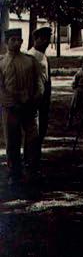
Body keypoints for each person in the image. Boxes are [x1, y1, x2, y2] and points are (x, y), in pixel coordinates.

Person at [0, 28, 44, 185]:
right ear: (6, 42)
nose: (17, 43)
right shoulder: (2, 64)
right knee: (12, 141)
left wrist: (34, 101)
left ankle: (32, 170)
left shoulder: (30, 61)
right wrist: (12, 104)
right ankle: (14, 172)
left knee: (32, 139)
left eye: (19, 40)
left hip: (29, 107)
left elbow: (39, 84)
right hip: (10, 109)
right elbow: (1, 89)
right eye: (13, 40)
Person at [28, 26, 52, 164]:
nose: (46, 42)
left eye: (48, 39)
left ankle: (35, 159)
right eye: (43, 39)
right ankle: (30, 160)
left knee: (42, 130)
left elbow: (47, 80)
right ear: (35, 40)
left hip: (44, 101)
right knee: (33, 133)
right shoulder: (29, 57)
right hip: (33, 101)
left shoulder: (45, 57)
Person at [68, 56, 83, 129]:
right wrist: (75, 88)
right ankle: (70, 122)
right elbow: (74, 83)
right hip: (79, 90)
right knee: (74, 107)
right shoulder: (79, 73)